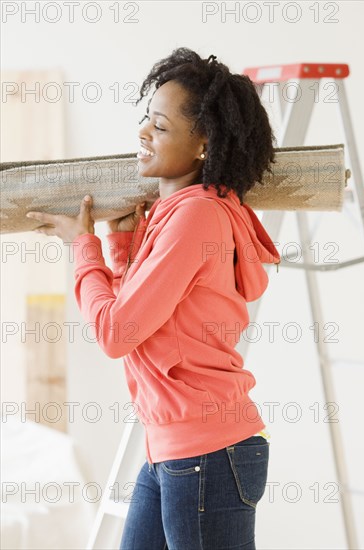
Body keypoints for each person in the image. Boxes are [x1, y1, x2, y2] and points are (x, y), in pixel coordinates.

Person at [26, 47, 281, 550]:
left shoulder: (196, 217)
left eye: (161, 127)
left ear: (203, 143)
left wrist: (84, 249)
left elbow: (117, 333)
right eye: (146, 118)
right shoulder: (182, 213)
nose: (143, 132)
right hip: (177, 447)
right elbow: (153, 323)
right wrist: (122, 249)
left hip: (207, 452)